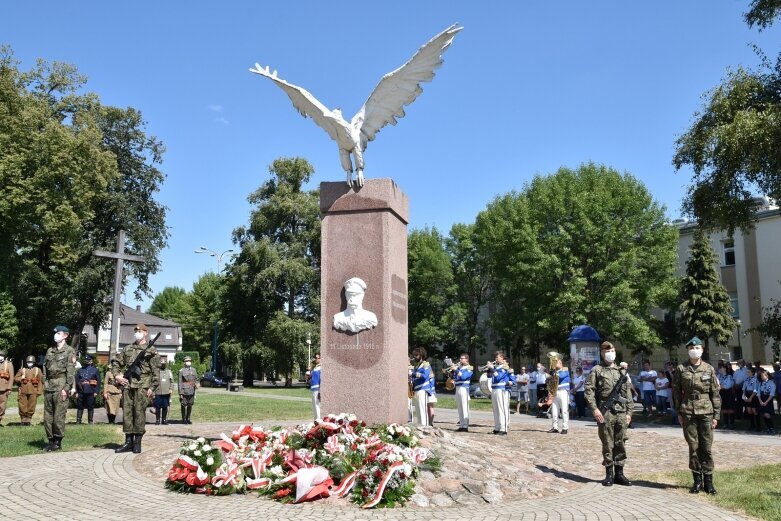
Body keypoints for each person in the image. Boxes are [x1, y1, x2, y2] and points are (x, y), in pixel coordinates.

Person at [672, 336, 720, 495]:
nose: (694, 350)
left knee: (706, 447)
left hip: (706, 411)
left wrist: (716, 415)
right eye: (691, 348)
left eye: (697, 348)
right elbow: (676, 392)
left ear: (702, 350)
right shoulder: (681, 368)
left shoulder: (709, 369)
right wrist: (678, 411)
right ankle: (697, 481)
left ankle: (709, 482)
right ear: (688, 350)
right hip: (688, 411)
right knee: (693, 446)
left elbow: (715, 393)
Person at [584, 341, 633, 487]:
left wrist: (629, 412)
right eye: (606, 351)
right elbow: (589, 391)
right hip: (605, 412)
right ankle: (609, 474)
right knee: (607, 443)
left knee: (621, 442)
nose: (609, 353)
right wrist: (594, 409)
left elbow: (628, 393)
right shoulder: (597, 370)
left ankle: (620, 473)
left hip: (621, 412)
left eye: (611, 350)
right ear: (601, 353)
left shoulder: (621, 371)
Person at [111, 323, 160, 454]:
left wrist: (152, 387)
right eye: (135, 331)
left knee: (139, 414)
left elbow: (156, 371)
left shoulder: (151, 350)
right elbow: (116, 362)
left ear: (145, 333)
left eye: (140, 331)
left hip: (143, 386)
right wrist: (117, 376)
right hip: (127, 385)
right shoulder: (127, 348)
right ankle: (128, 442)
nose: (137, 332)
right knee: (127, 413)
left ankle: (137, 443)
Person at [42, 325, 76, 451]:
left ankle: (58, 441)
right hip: (49, 384)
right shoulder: (50, 350)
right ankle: (50, 440)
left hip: (61, 384)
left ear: (65, 336)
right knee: (48, 416)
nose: (56, 335)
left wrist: (66, 388)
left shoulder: (69, 351)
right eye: (55, 333)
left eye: (59, 333)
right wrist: (44, 382)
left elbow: (71, 372)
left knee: (58, 416)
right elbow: (45, 367)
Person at [14, 355, 43, 426]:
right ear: (26, 362)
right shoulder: (22, 370)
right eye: (28, 362)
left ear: (34, 362)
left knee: (31, 405)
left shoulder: (37, 370)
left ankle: (28, 420)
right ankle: (23, 420)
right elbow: (15, 378)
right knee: (22, 405)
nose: (29, 363)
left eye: (31, 362)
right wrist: (21, 377)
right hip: (23, 390)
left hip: (33, 390)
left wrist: (39, 391)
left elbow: (40, 381)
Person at [488, 351, 511, 435]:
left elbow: (498, 377)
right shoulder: (496, 366)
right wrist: (489, 368)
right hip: (494, 388)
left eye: (497, 357)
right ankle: (497, 427)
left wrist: (492, 369)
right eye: (495, 357)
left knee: (502, 409)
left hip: (501, 389)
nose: (496, 359)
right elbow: (489, 376)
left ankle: (503, 429)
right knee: (495, 409)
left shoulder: (505, 367)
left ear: (502, 358)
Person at [449, 354, 473, 431]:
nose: (460, 360)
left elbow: (463, 377)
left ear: (467, 359)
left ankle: (465, 426)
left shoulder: (469, 367)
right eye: (460, 358)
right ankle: (462, 425)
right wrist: (452, 372)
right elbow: (455, 377)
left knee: (464, 407)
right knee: (459, 407)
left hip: (464, 388)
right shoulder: (459, 367)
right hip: (458, 388)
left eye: (462, 358)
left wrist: (456, 370)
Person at [410, 347, 432, 426]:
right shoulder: (417, 366)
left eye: (416, 355)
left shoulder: (426, 364)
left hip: (423, 389)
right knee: (418, 410)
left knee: (423, 410)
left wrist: (413, 374)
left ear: (421, 355)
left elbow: (425, 376)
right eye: (414, 355)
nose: (414, 356)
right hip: (416, 389)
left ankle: (425, 426)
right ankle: (420, 426)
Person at [548, 357, 571, 434]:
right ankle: (555, 427)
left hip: (563, 392)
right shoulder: (554, 372)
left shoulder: (565, 370)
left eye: (556, 362)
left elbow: (560, 377)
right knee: (554, 410)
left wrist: (552, 373)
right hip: (555, 392)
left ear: (561, 364)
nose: (554, 364)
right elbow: (549, 381)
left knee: (564, 410)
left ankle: (565, 427)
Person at [75, 355, 100, 424]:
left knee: (90, 406)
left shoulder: (95, 370)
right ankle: (78, 420)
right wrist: (76, 392)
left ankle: (90, 421)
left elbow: (98, 382)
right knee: (80, 406)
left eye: (88, 360)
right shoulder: (80, 370)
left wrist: (96, 391)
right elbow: (76, 381)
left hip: (91, 390)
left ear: (91, 361)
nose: (86, 361)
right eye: (85, 360)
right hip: (81, 390)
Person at [178, 355, 199, 425]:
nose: (188, 362)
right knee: (184, 405)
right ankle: (183, 419)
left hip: (192, 390)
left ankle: (188, 418)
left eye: (189, 361)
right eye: (187, 361)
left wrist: (197, 384)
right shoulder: (181, 371)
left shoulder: (194, 370)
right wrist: (180, 393)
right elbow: (180, 383)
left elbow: (196, 379)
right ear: (184, 362)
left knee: (190, 404)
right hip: (184, 390)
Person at [154, 359, 174, 425]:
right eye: (161, 362)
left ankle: (164, 420)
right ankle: (157, 420)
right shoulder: (156, 372)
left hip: (166, 392)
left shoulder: (169, 371)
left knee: (165, 406)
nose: (163, 364)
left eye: (164, 362)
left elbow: (172, 381)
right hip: (158, 391)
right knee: (157, 407)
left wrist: (171, 388)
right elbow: (152, 381)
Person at [757, 369, 776, 434]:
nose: (761, 377)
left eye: (763, 376)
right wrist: (760, 401)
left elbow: (772, 394)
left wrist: (766, 402)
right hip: (761, 399)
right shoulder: (760, 383)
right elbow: (758, 393)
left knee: (767, 414)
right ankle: (768, 428)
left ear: (767, 376)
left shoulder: (771, 383)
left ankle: (772, 428)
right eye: (761, 376)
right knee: (764, 415)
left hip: (768, 400)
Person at [717, 363, 736, 429]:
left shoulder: (729, 376)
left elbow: (728, 386)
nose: (720, 369)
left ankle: (731, 423)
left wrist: (720, 386)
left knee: (730, 408)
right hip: (722, 393)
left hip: (728, 393)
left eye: (721, 368)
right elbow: (716, 384)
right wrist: (720, 386)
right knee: (724, 408)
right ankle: (725, 423)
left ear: (725, 369)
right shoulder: (719, 376)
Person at [741, 366, 760, 432]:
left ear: (752, 373)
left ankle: (758, 426)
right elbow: (743, 388)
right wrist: (744, 396)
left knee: (754, 411)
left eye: (748, 372)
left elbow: (755, 390)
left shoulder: (755, 380)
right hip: (747, 394)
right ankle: (752, 425)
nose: (747, 373)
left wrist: (751, 398)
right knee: (749, 410)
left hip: (753, 395)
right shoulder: (746, 379)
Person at [0, 349, 15, 426]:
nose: (0, 357)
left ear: (4, 357)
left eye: (1, 356)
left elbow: (11, 377)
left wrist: (9, 388)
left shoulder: (9, 364)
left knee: (2, 405)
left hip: (4, 388)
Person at [310, 354, 321, 420]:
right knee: (314, 405)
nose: (316, 359)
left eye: (317, 358)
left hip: (317, 388)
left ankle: (318, 420)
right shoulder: (315, 368)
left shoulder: (321, 368)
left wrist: (320, 390)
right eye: (315, 358)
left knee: (317, 405)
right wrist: (309, 372)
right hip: (313, 388)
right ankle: (315, 420)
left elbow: (321, 379)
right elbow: (311, 377)